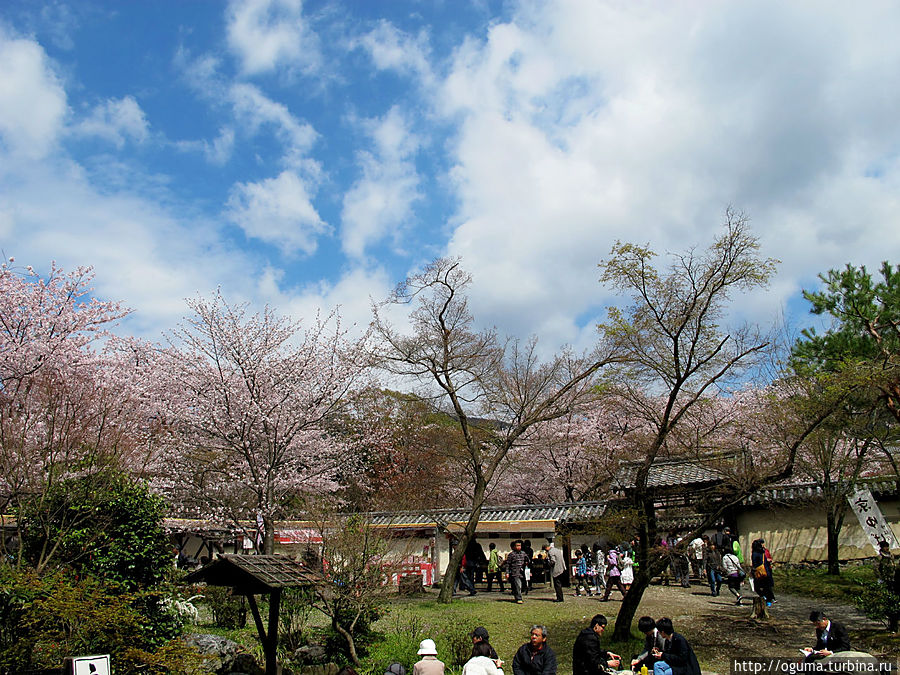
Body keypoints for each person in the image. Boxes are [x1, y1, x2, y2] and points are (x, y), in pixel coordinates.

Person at [876, 541, 899, 632]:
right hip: (885, 579)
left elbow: (894, 566)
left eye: (887, 546)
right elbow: (876, 568)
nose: (887, 548)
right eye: (885, 547)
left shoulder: (891, 556)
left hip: (893, 579)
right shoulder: (880, 557)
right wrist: (880, 578)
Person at [750, 539, 773, 606]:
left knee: (757, 587)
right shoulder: (762, 552)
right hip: (766, 571)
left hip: (759, 572)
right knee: (766, 587)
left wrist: (752, 572)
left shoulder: (754, 553)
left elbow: (754, 563)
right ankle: (768, 600)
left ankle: (764, 598)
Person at [507, 540, 529, 604]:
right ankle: (519, 598)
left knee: (522, 586)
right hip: (515, 573)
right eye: (517, 546)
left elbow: (528, 561)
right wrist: (507, 572)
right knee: (518, 585)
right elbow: (508, 564)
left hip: (522, 573)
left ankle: (517, 596)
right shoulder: (511, 555)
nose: (518, 547)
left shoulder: (523, 553)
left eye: (520, 545)